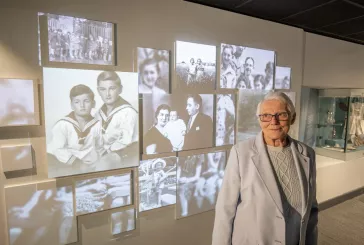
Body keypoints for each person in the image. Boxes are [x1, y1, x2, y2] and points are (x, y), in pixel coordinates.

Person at [212, 91, 318, 245]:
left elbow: (312, 210)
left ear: (292, 118)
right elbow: (225, 209)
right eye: (266, 116)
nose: (273, 121)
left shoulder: (308, 153)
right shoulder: (241, 153)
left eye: (281, 115)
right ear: (259, 120)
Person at [47, 85, 102, 170]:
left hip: (83, 163)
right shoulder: (63, 124)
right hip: (58, 161)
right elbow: (57, 149)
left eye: (86, 101)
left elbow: (100, 146)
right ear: (72, 105)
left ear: (93, 103)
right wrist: (77, 163)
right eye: (77, 102)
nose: (82, 105)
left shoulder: (97, 124)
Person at [96, 71, 138, 159]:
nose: (107, 94)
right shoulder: (98, 114)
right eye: (103, 89)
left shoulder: (128, 113)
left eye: (112, 88)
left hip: (122, 158)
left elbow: (125, 144)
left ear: (120, 89)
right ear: (98, 91)